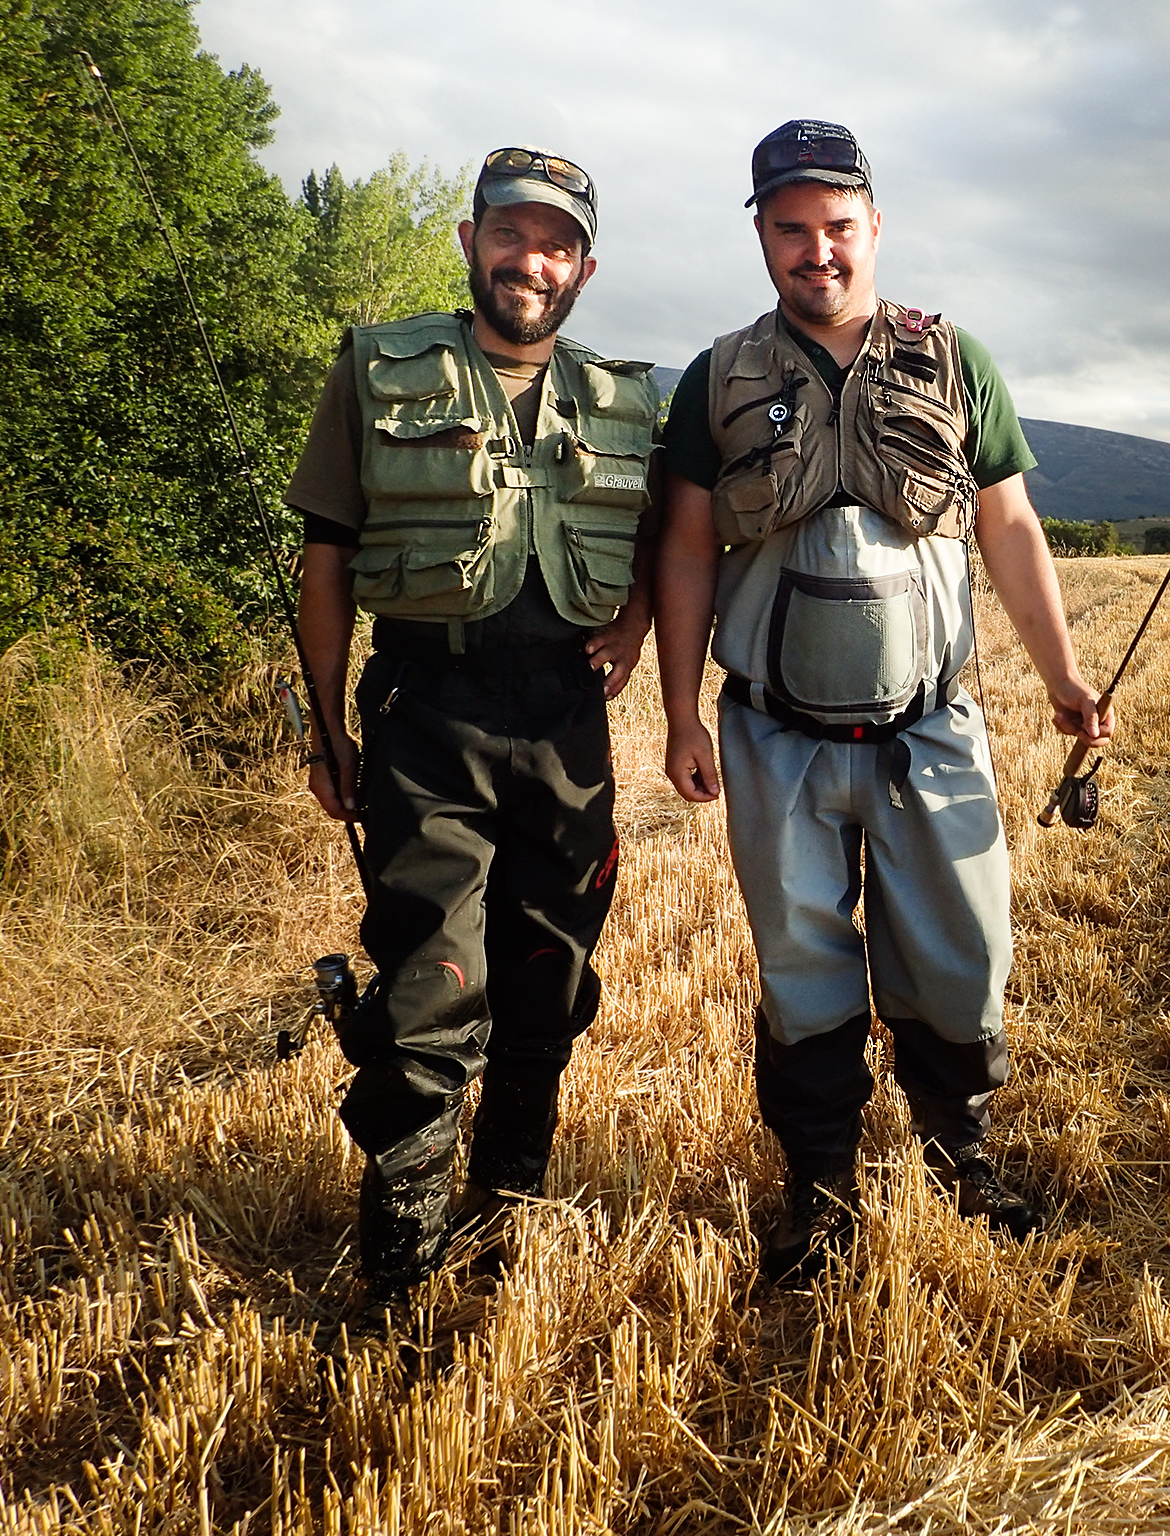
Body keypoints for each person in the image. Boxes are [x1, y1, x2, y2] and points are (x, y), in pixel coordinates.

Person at [653, 119, 1112, 1283]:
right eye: (790, 229)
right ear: (759, 233)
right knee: (802, 976)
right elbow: (689, 552)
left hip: (930, 729)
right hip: (773, 736)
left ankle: (962, 1161)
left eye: (837, 227)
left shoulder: (954, 360)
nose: (818, 251)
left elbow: (1007, 524)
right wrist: (679, 713)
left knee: (961, 961)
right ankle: (818, 1195)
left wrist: (1061, 675)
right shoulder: (717, 377)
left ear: (875, 226)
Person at [287, 146, 661, 1320]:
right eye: (511, 234)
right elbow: (326, 558)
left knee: (548, 974)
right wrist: (325, 722)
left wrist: (638, 627)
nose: (530, 261)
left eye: (555, 244)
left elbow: (667, 542)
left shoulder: (623, 398)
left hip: (564, 719)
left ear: (584, 268)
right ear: (470, 240)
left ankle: (511, 1194)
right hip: (424, 710)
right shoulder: (380, 367)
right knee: (426, 983)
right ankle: (404, 1235)